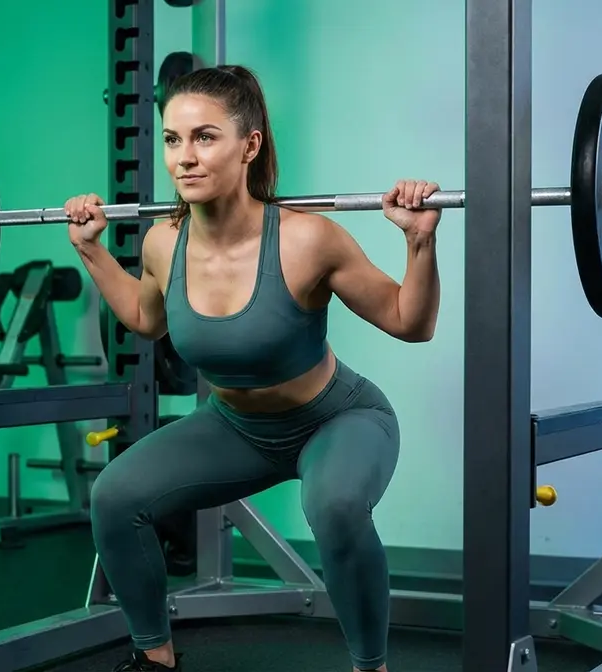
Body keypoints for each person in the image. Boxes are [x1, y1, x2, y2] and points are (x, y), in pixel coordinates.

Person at [64, 64, 442, 672]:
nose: (184, 157)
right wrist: (91, 250)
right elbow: (144, 315)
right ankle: (155, 657)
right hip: (237, 430)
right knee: (114, 496)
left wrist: (420, 241)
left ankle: (371, 666)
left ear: (250, 145)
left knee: (337, 508)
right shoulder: (163, 242)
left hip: (337, 420)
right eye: (172, 139)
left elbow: (409, 322)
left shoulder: (308, 240)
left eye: (205, 137)